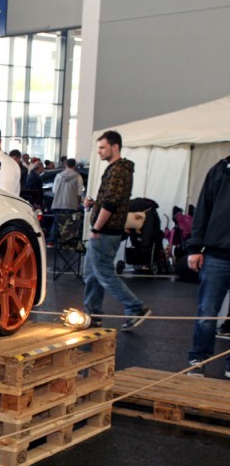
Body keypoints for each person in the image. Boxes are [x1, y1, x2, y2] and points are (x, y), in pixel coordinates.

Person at [82, 130, 151, 330]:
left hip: (104, 233)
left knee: (103, 274)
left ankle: (136, 307)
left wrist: (96, 227)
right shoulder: (116, 170)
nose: (99, 151)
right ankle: (93, 315)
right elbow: (111, 200)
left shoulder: (118, 171)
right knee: (92, 275)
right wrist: (94, 204)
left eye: (102, 147)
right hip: (106, 231)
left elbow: (111, 204)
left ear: (115, 147)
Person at [185, 155, 230, 375]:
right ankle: (199, 358)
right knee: (207, 311)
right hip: (216, 254)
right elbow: (202, 209)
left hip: (217, 253)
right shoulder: (219, 170)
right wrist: (194, 247)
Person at [49, 158, 84, 243]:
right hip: (71, 204)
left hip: (58, 203)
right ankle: (66, 242)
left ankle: (52, 241)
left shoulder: (58, 176)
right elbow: (80, 192)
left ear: (65, 165)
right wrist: (78, 202)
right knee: (69, 224)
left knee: (56, 222)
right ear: (75, 165)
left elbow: (54, 190)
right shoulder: (78, 177)